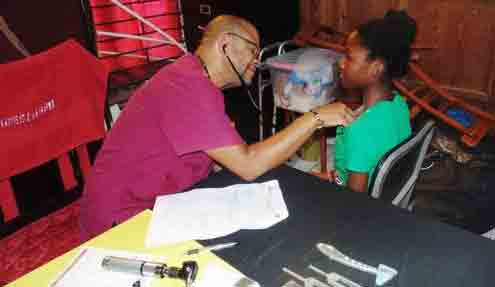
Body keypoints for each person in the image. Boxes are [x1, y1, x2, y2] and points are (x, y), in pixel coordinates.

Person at [79, 15, 357, 240]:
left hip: (160, 202)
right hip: (122, 218)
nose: (257, 61)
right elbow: (248, 164)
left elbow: (226, 160)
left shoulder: (196, 81)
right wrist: (315, 117)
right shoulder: (187, 87)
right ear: (225, 43)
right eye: (252, 49)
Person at [331, 10, 416, 193]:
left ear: (376, 68)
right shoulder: (399, 104)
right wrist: (333, 177)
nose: (341, 63)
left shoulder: (360, 130)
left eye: (349, 57)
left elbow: (355, 203)